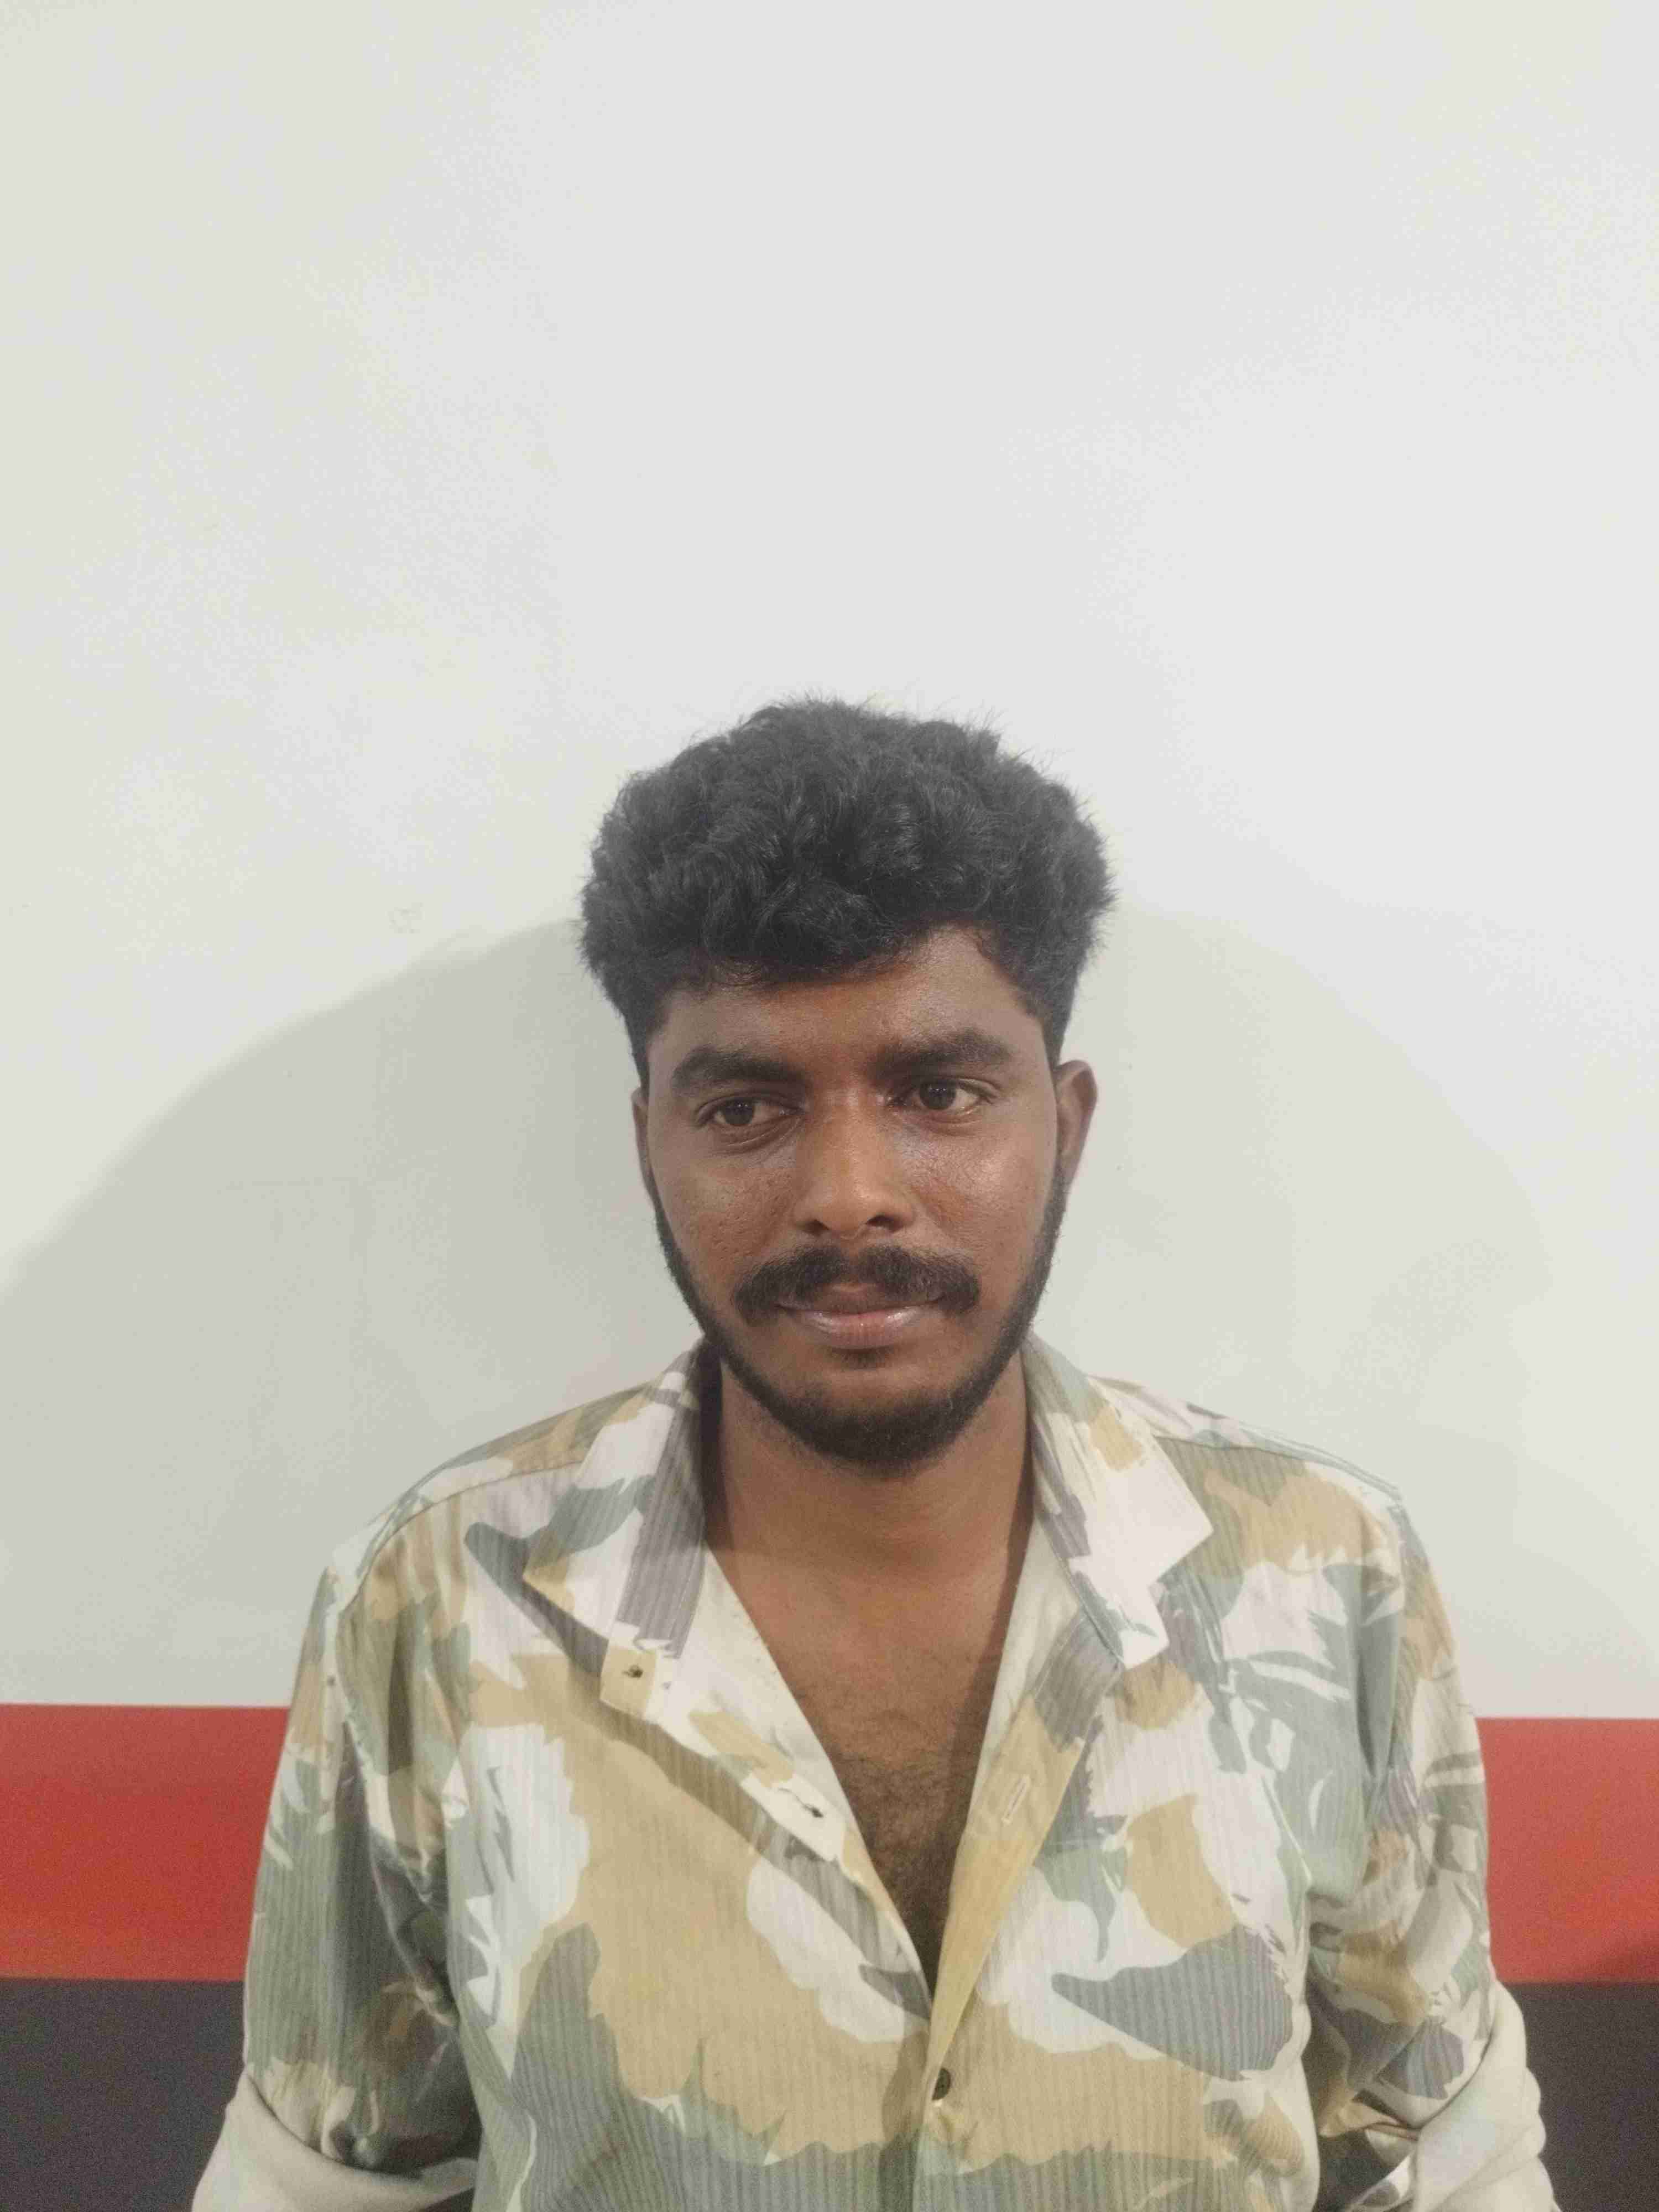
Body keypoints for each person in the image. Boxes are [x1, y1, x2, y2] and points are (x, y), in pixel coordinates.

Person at [195, 698, 1556, 2209]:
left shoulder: (1323, 1570)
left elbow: (1447, 2162)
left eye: (939, 1094)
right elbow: (317, 2184)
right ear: (650, 1143)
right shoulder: (442, 1599)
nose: (849, 1194)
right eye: (747, 1108)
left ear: (1067, 1125)